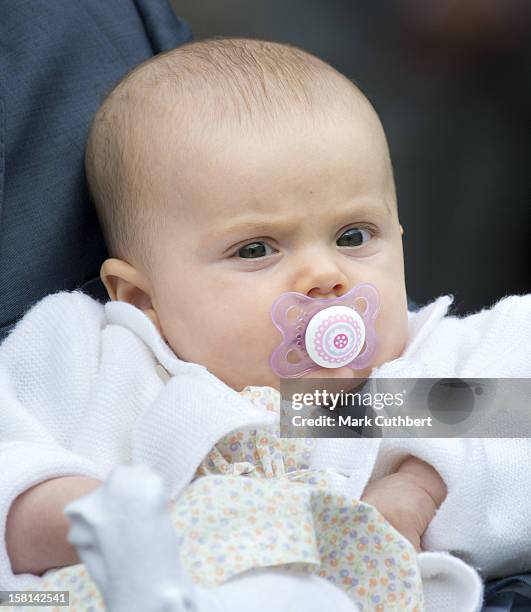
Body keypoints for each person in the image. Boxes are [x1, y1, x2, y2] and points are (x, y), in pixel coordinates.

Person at [0, 37, 529, 611]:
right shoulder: (101, 358)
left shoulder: (411, 383)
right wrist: (90, 513)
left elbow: (518, 420)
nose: (326, 275)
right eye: (256, 248)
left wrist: (416, 491)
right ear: (139, 297)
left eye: (353, 236)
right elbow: (12, 457)